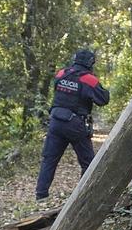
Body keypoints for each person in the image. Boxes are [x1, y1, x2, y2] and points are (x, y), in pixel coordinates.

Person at [35, 49, 110, 201]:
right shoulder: (89, 79)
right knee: (88, 162)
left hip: (55, 121)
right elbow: (103, 99)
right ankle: (84, 195)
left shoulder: (61, 74)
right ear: (90, 63)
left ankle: (41, 196)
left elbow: (57, 91)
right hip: (74, 124)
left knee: (49, 159)